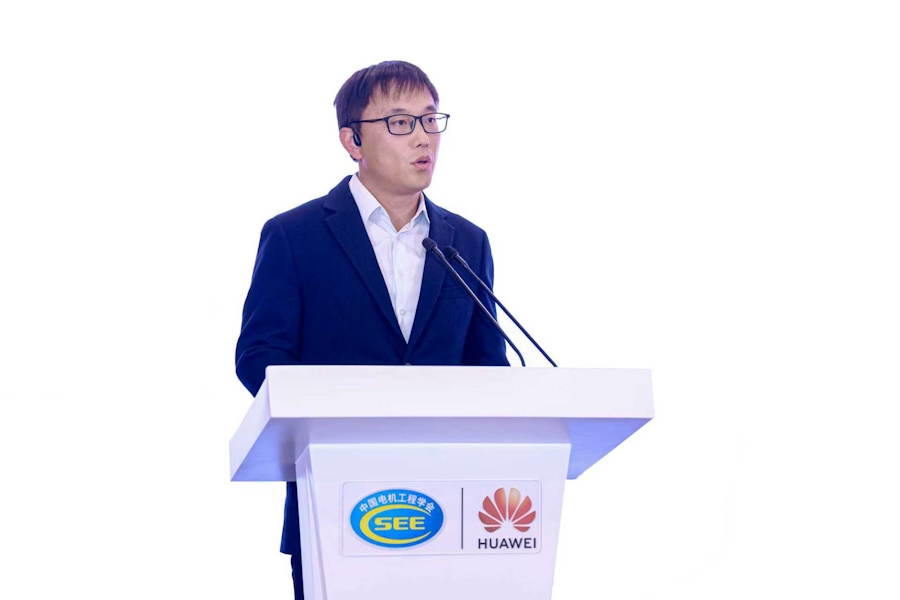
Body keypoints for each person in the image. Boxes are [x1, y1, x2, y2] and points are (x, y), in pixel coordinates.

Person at [235, 60, 509, 599]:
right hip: (334, 502)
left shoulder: (466, 242)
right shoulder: (295, 235)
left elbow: (488, 366)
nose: (423, 138)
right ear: (352, 141)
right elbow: (260, 356)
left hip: (451, 506)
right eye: (401, 123)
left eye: (430, 120)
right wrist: (340, 410)